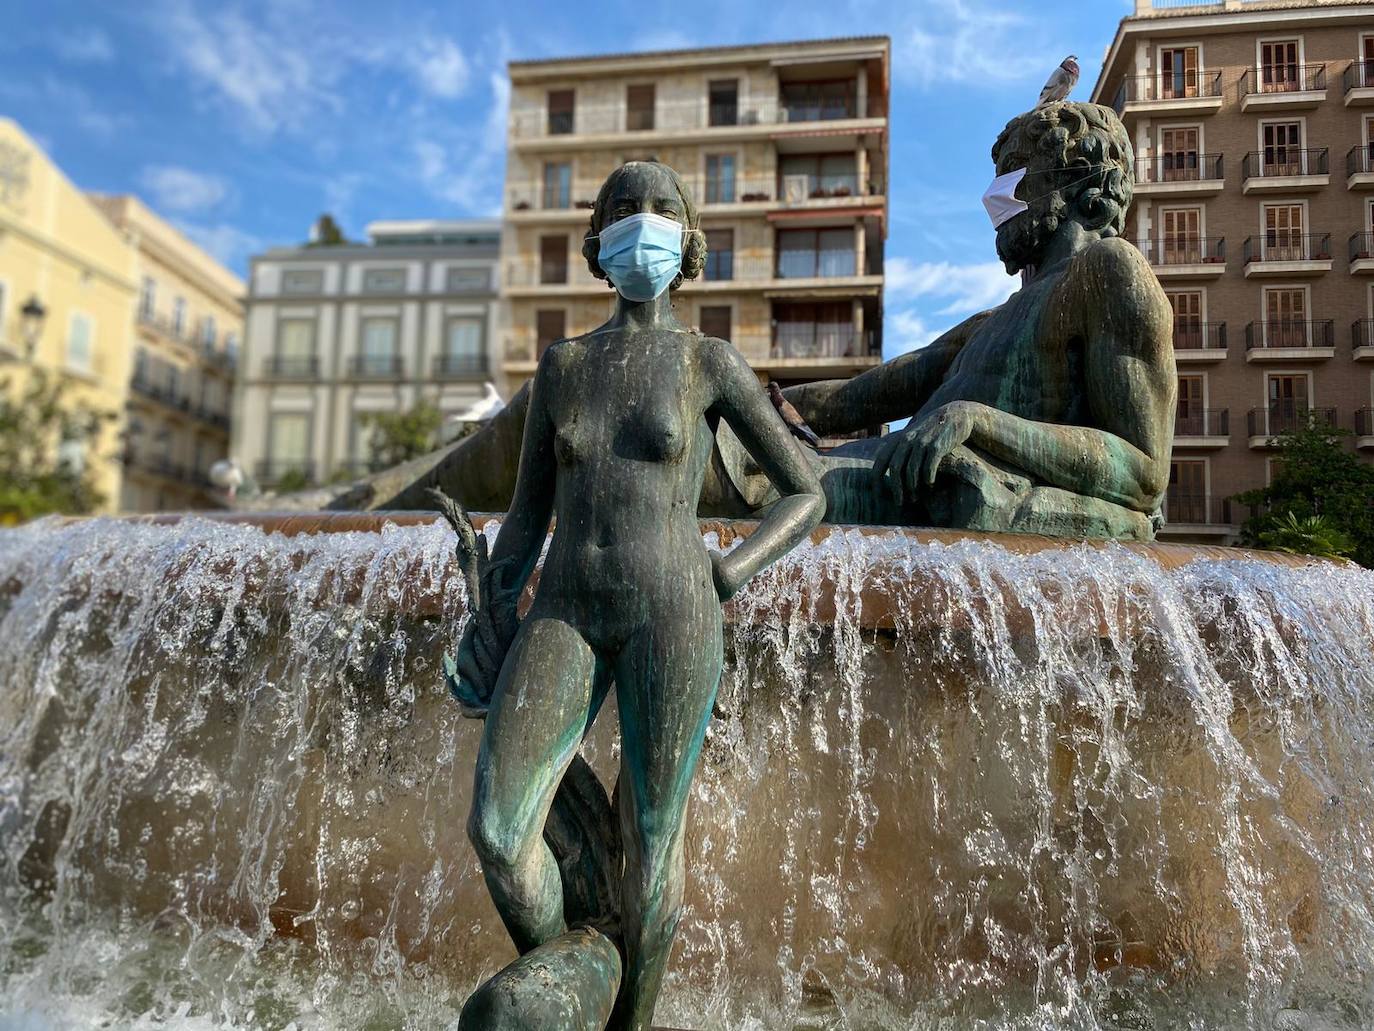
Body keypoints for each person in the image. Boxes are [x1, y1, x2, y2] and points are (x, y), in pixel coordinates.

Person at [457, 160, 824, 1029]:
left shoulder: (709, 362)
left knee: (653, 853)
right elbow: (523, 516)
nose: (642, 222)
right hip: (566, 609)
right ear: (598, 239)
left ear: (687, 240)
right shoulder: (563, 365)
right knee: (502, 833)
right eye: (623, 207)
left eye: (662, 208)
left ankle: (630, 1021)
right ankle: (579, 953)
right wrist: (493, 613)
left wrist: (730, 570)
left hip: (675, 611)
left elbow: (808, 491)